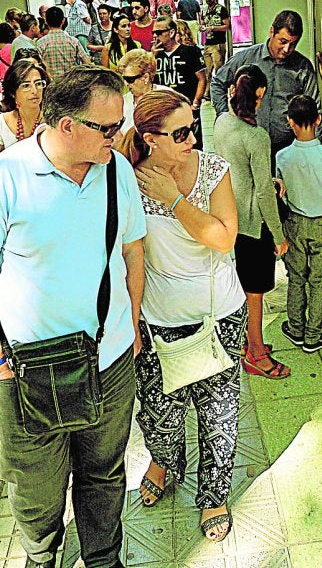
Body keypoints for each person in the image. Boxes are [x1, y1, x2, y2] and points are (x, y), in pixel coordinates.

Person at [0, 66, 145, 568]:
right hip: (26, 370)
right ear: (66, 126)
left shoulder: (116, 172)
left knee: (103, 473)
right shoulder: (8, 176)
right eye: (107, 128)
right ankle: (43, 557)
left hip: (108, 360)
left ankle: (104, 558)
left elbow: (132, 251)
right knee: (37, 487)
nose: (119, 136)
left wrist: (134, 325)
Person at [117, 90, 246, 542]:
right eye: (181, 133)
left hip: (218, 315)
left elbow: (224, 237)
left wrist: (174, 199)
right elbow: (126, 254)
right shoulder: (128, 179)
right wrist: (129, 322)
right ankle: (164, 460)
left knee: (219, 413)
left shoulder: (213, 171)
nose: (192, 138)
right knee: (159, 412)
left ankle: (214, 494)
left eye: (193, 127)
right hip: (157, 320)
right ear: (150, 139)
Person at [214, 65, 290, 378]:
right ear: (258, 98)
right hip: (255, 223)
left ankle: (251, 341)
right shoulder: (257, 136)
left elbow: (238, 170)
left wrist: (267, 179)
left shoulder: (222, 121)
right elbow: (262, 196)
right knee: (256, 292)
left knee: (248, 287)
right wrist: (279, 234)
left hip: (232, 214)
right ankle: (256, 353)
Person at [276, 95, 322, 352]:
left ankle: (295, 328)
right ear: (318, 120)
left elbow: (280, 193)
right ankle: (313, 335)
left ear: (290, 121)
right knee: (318, 280)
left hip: (294, 223)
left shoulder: (282, 157)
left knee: (296, 277)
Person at [211, 10, 322, 157]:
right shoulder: (246, 58)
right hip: (249, 144)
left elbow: (314, 108)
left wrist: (316, 149)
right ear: (272, 32)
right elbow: (217, 82)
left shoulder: (303, 67)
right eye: (283, 42)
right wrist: (225, 116)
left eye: (293, 44)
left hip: (287, 147)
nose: (287, 49)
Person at [152, 17, 206, 149]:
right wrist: (152, 56)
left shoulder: (191, 52)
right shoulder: (155, 55)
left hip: (187, 106)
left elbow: (202, 78)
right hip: (165, 109)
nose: (155, 36)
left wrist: (195, 103)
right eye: (154, 32)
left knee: (193, 143)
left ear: (171, 33)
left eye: (159, 32)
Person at [0, 58, 48, 151]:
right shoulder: (2, 123)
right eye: (26, 85)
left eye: (38, 83)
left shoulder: (52, 121)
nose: (34, 91)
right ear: (12, 92)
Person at [117, 49, 168, 134]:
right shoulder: (121, 102)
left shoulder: (166, 96)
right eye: (124, 78)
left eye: (130, 79)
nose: (126, 83)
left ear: (146, 77)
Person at [37, 6, 91, 78]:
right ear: (63, 21)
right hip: (70, 83)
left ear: (46, 21)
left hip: (51, 85)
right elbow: (87, 63)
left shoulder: (41, 43)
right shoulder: (74, 41)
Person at [200, 0, 230, 100]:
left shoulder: (221, 9)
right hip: (208, 44)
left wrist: (213, 28)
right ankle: (207, 93)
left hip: (218, 43)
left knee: (219, 70)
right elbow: (202, 23)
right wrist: (202, 28)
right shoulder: (204, 10)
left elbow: (227, 26)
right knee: (207, 71)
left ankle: (220, 93)